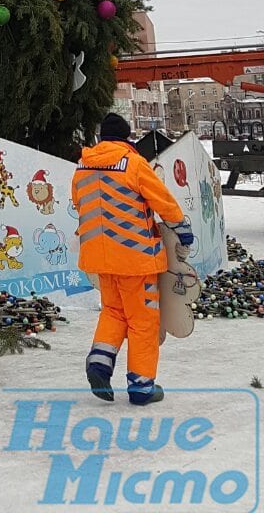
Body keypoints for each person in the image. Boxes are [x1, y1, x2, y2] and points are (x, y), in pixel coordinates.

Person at [71, 112, 193, 406]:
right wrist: (181, 228)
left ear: (101, 139)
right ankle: (141, 387)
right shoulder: (134, 164)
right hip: (135, 258)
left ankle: (99, 363)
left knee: (113, 312)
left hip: (99, 258)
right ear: (127, 138)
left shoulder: (82, 167)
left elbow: (79, 204)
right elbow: (161, 198)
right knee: (142, 321)